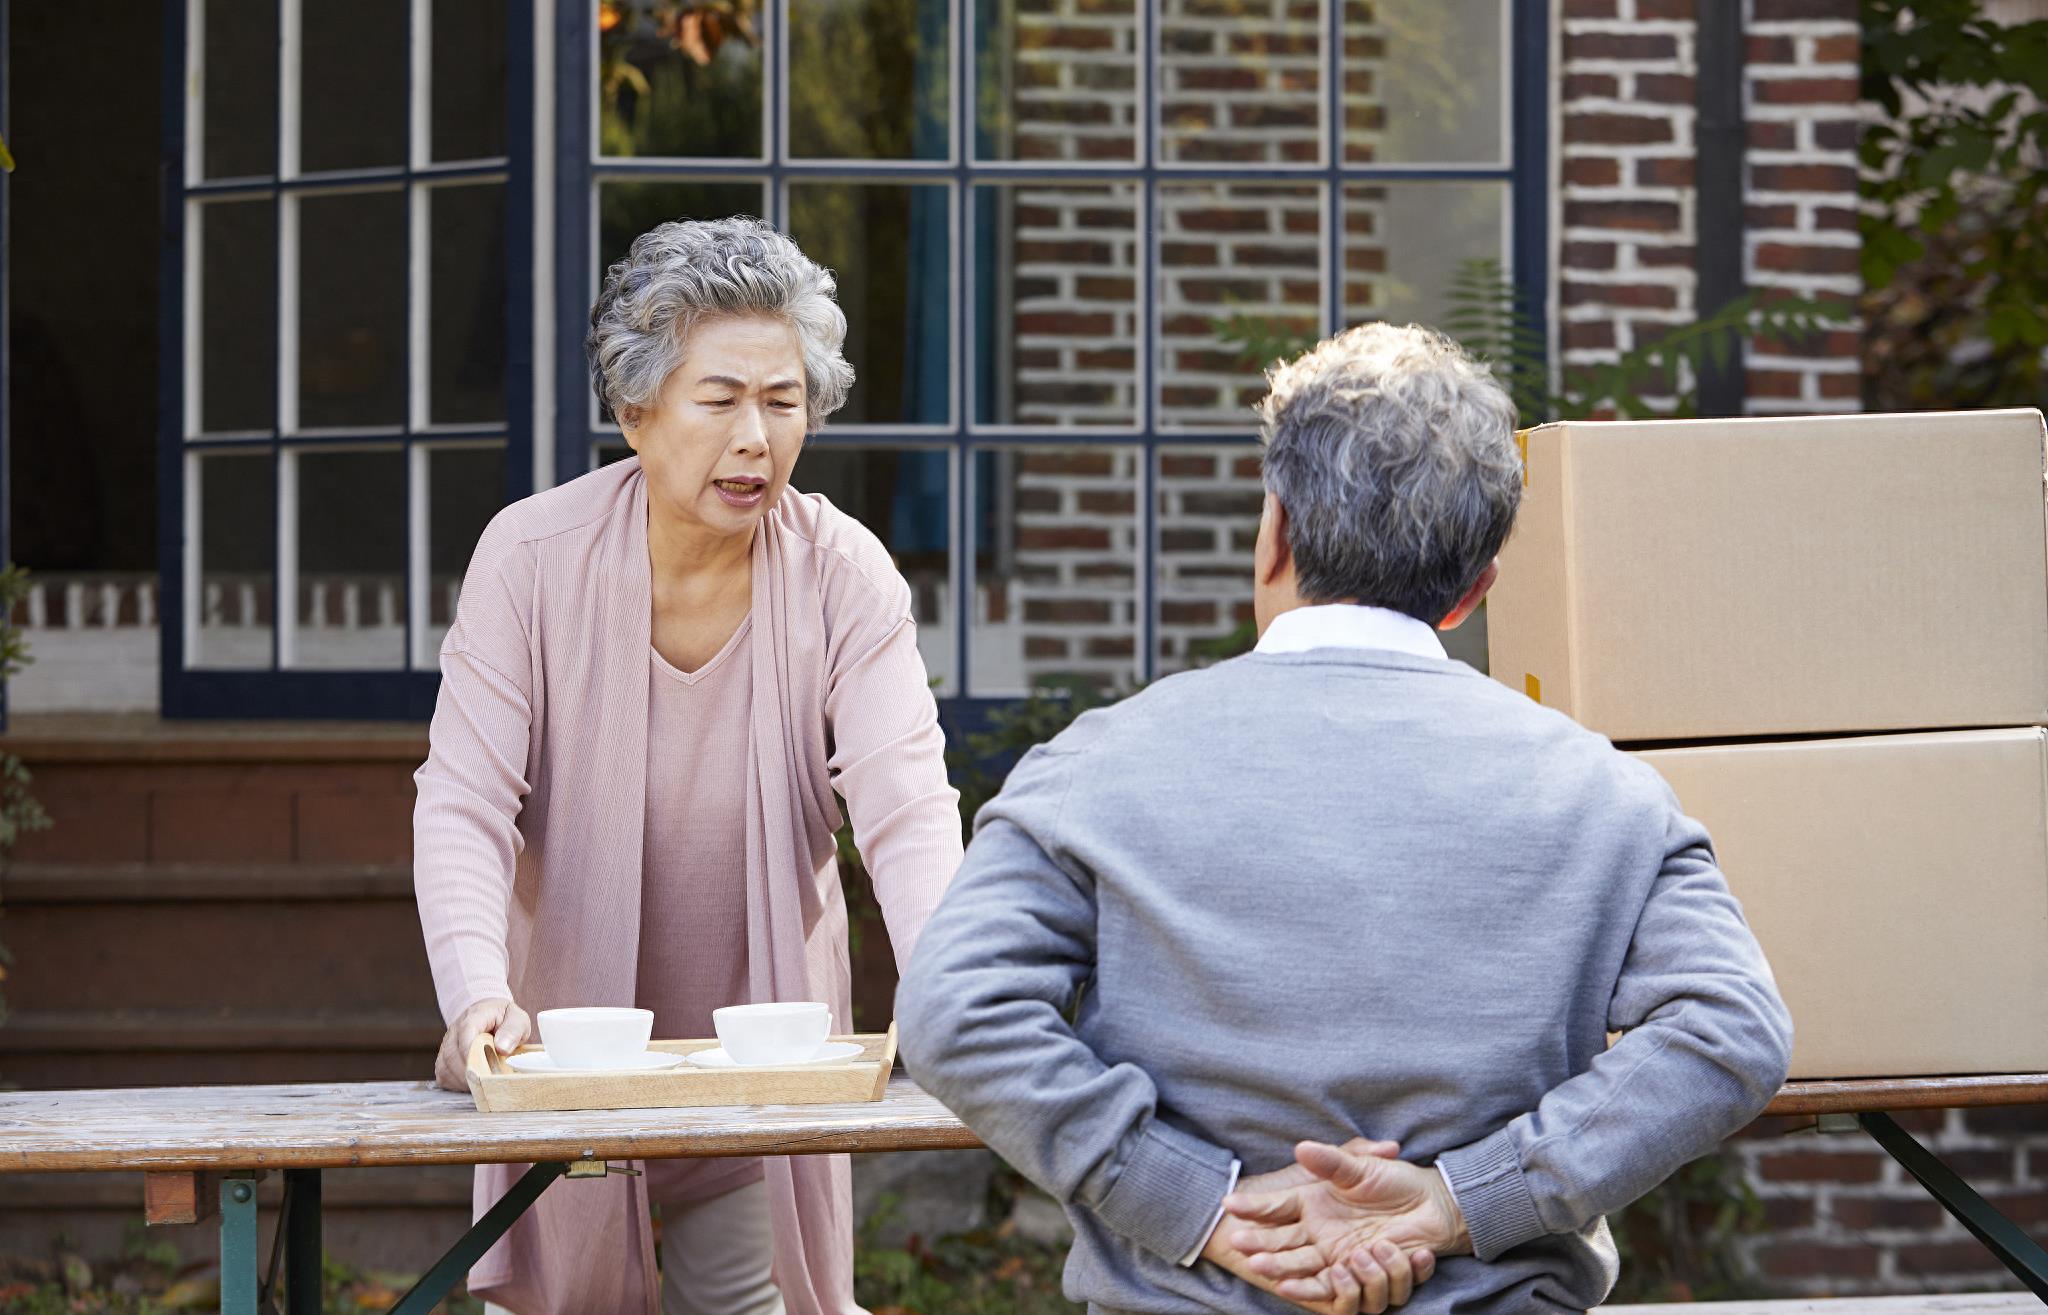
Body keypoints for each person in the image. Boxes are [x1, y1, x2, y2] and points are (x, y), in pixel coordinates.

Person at [894, 323, 1794, 1315]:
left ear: (1273, 529)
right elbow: (1730, 1031)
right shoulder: (1605, 793)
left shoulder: (1094, 767)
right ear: (1472, 591)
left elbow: (952, 1010)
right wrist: (1461, 1202)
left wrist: (1196, 1201)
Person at [413, 217, 963, 1315]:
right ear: (635, 411)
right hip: (563, 1054)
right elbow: (465, 802)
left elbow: (904, 808)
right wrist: (478, 989)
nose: (755, 437)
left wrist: (956, 996)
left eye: (783, 400)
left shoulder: (843, 573)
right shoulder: (529, 558)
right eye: (718, 401)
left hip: (767, 1056)